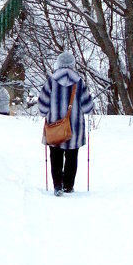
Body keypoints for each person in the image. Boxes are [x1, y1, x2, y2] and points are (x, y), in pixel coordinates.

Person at [38, 51, 94, 196]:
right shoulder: (79, 82)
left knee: (55, 156)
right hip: (74, 129)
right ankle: (68, 186)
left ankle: (57, 185)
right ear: (72, 65)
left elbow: (42, 105)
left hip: (54, 127)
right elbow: (88, 107)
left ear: (59, 63)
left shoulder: (51, 81)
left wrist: (45, 113)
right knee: (72, 157)